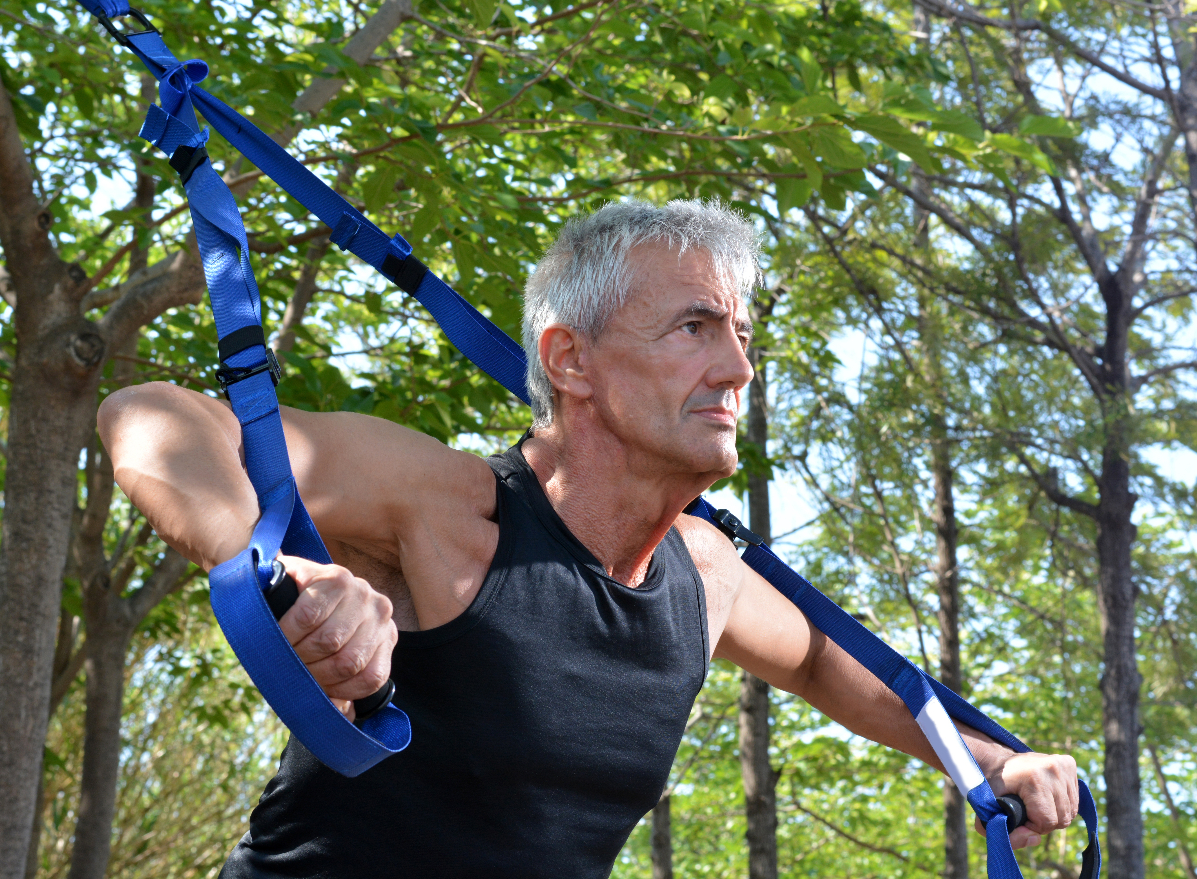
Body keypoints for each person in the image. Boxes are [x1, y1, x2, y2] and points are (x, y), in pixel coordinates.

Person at [98, 199, 1079, 878]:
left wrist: (993, 763)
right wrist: (279, 577)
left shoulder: (707, 577)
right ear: (569, 359)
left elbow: (827, 662)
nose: (738, 367)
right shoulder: (453, 512)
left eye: (741, 333)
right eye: (695, 329)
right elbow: (150, 415)